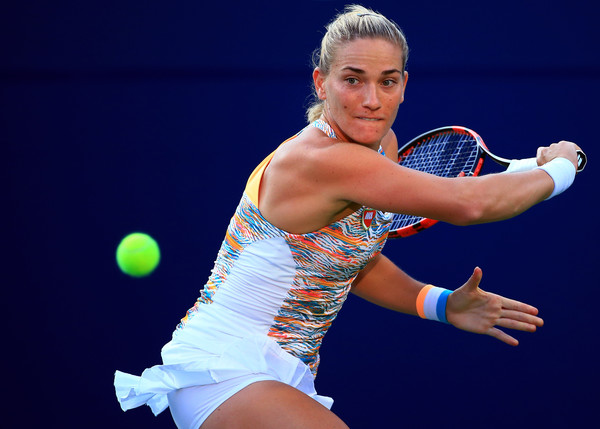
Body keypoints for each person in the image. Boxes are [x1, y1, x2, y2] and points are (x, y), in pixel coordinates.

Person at [114, 5, 582, 429]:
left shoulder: (383, 148)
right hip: (222, 369)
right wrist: (564, 166)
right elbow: (469, 203)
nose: (372, 99)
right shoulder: (325, 160)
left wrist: (441, 305)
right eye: (353, 79)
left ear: (403, 85)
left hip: (279, 372)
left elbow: (354, 265)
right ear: (321, 82)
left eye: (388, 81)